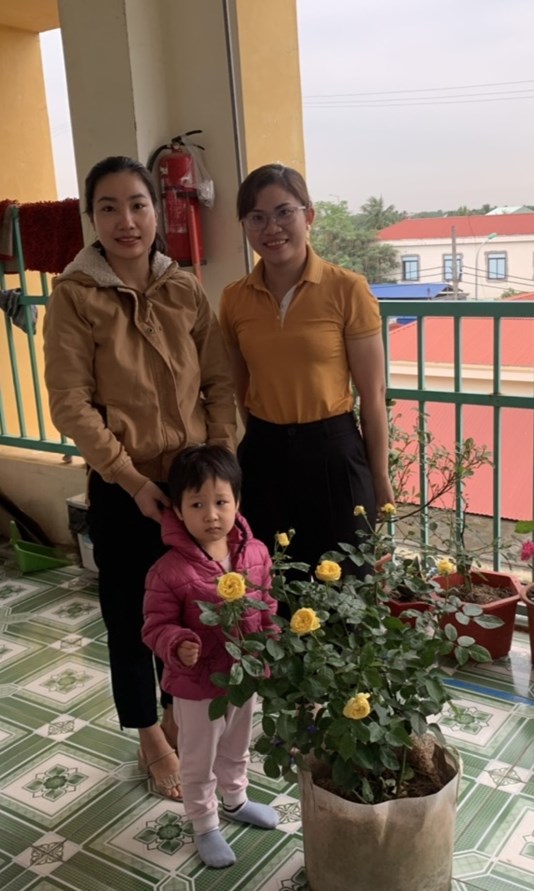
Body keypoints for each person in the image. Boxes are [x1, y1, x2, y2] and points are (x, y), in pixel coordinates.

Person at [43, 156, 236, 801]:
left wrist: (218, 465)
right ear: (91, 217)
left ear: (157, 211)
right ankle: (150, 736)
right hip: (124, 487)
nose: (126, 221)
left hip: (192, 487)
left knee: (192, 611)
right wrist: (130, 480)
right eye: (108, 207)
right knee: (131, 617)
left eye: (138, 205)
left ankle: (180, 714)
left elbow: (219, 380)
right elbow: (71, 403)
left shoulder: (183, 288)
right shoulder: (75, 296)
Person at [219, 163, 394, 578]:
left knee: (346, 583)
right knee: (275, 582)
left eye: (284, 212)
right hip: (264, 457)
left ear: (308, 216)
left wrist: (380, 478)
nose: (272, 228)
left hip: (333, 453)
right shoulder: (234, 299)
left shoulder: (347, 289)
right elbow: (241, 387)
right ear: (245, 225)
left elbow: (372, 395)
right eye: (256, 217)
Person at [142, 445, 279, 869]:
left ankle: (236, 800)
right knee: (198, 758)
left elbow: (266, 605)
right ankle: (204, 824)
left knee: (237, 743)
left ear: (237, 501)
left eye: (221, 501)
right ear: (178, 510)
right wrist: (178, 643)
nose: (211, 515)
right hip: (197, 684)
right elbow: (155, 626)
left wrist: (272, 644)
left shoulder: (256, 553)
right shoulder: (168, 571)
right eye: (197, 504)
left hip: (243, 676)